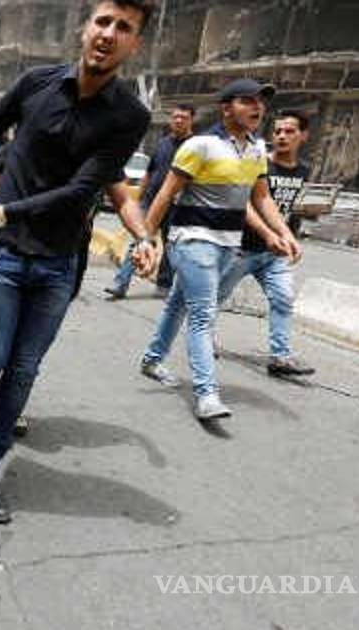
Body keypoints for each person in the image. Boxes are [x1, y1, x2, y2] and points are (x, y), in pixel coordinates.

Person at [0, 0, 156, 525]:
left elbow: (81, 191)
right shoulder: (36, 82)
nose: (108, 34)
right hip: (4, 254)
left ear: (134, 44)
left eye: (123, 28)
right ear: (86, 27)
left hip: (57, 263)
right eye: (103, 21)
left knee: (23, 371)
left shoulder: (130, 116)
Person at [137, 78, 301, 420]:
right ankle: (206, 394)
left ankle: (152, 360)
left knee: (178, 303)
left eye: (261, 102)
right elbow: (166, 193)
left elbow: (261, 198)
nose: (258, 107)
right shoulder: (200, 146)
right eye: (248, 101)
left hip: (228, 244)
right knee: (203, 314)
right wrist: (145, 238)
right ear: (227, 109)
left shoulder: (257, 149)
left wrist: (283, 233)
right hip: (193, 240)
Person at [216, 110, 314, 377]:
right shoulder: (259, 164)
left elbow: (292, 209)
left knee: (283, 299)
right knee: (215, 297)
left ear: (303, 136)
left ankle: (280, 357)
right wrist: (269, 233)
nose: (282, 136)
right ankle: (202, 341)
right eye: (278, 131)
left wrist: (290, 236)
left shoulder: (304, 170)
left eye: (289, 131)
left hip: (275, 253)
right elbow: (244, 203)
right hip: (241, 248)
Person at [105, 103, 194, 299]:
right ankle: (120, 283)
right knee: (140, 240)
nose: (178, 121)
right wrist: (138, 199)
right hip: (150, 202)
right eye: (175, 117)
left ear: (191, 121)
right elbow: (149, 172)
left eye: (184, 117)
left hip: (176, 206)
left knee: (170, 245)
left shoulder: (195, 146)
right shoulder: (163, 143)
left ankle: (164, 285)